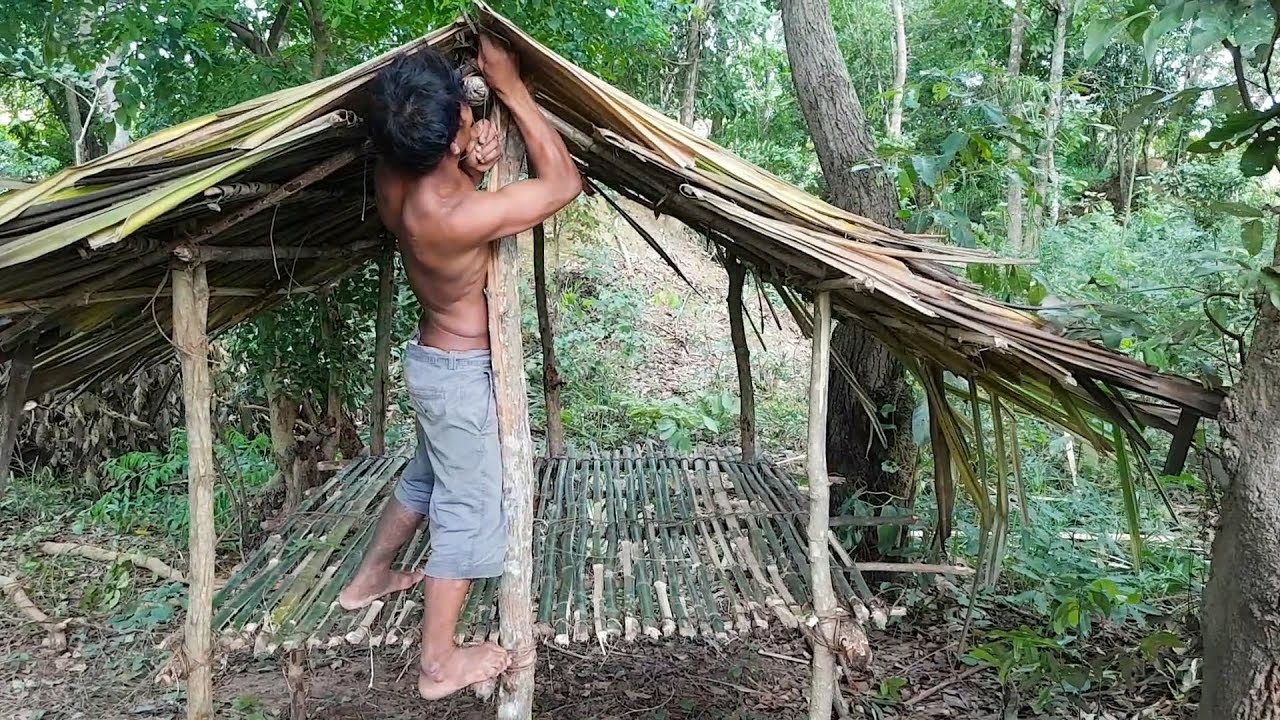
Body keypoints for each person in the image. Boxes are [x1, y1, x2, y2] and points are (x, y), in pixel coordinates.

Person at [336, 34, 581, 700]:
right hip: (461, 378)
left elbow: (441, 177)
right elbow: (563, 184)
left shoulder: (394, 171)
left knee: (426, 479)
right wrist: (510, 87)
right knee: (471, 513)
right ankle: (437, 664)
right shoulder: (448, 216)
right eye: (465, 114)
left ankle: (370, 577)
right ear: (447, 140)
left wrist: (468, 160)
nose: (473, 115)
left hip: (434, 368)